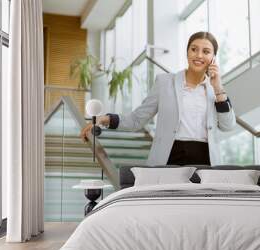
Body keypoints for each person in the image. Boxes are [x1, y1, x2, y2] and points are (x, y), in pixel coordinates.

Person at [80, 31, 236, 166]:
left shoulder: (215, 90)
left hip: (205, 161)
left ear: (213, 58)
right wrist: (105, 119)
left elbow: (228, 126)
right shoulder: (164, 82)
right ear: (187, 52)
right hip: (170, 158)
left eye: (206, 51)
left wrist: (218, 89)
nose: (199, 55)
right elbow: (136, 120)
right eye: (194, 49)